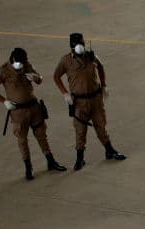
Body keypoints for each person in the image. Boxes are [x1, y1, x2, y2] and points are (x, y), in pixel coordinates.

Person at [0, 47, 66, 180]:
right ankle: (28, 168)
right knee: (22, 140)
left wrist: (35, 77)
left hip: (33, 108)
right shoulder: (3, 71)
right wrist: (4, 101)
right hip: (18, 111)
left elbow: (40, 79)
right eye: (19, 62)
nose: (21, 65)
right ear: (12, 59)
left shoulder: (27, 65)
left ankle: (50, 161)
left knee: (41, 135)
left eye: (23, 62)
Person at [53, 32, 126, 170]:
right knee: (80, 131)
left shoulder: (91, 56)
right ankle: (80, 158)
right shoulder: (66, 61)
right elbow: (56, 76)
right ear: (71, 46)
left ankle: (109, 150)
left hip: (95, 99)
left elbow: (101, 67)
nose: (80, 46)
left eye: (81, 43)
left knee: (101, 125)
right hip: (79, 102)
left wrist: (103, 85)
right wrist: (65, 93)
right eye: (77, 44)